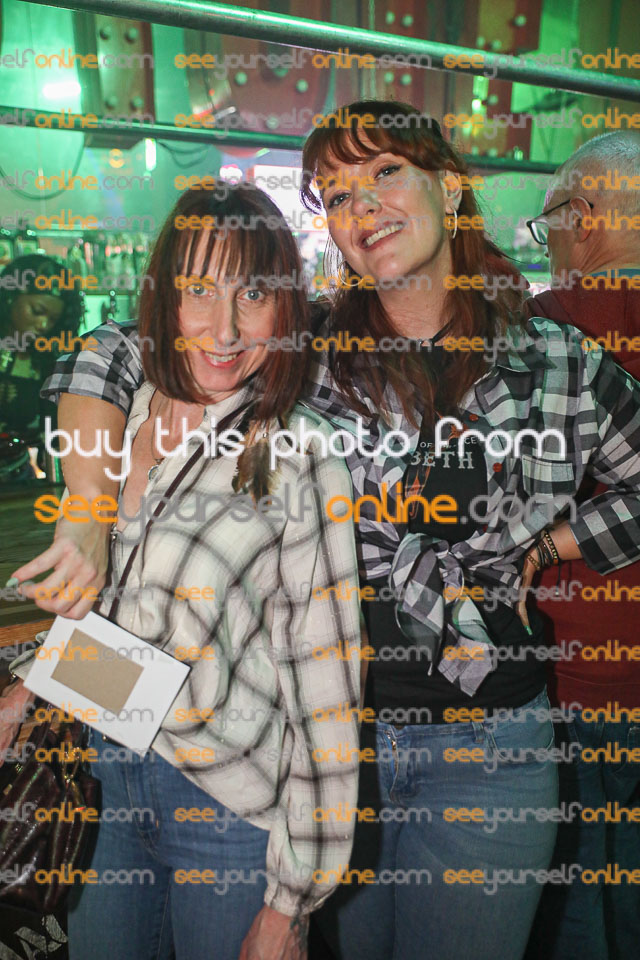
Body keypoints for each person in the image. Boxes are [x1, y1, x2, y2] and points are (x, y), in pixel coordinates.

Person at [15, 100, 640, 960]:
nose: (364, 205)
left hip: (489, 748)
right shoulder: (303, 352)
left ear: (450, 188)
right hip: (329, 753)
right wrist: (86, 512)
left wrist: (552, 545)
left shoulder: (557, 361)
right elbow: (117, 350)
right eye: (338, 194)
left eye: (386, 172)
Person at [6, 184, 363, 960]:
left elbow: (327, 694)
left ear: (286, 305)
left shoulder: (301, 454)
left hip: (226, 810)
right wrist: (32, 688)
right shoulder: (123, 412)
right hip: (102, 782)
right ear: (163, 296)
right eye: (199, 289)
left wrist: (292, 902)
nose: (225, 328)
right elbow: (135, 637)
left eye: (253, 294)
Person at [522, 132, 640, 960]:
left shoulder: (546, 331)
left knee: (570, 902)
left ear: (586, 217)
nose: (549, 243)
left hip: (576, 678)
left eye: (550, 222)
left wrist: (548, 542)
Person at [0, 254, 82, 481]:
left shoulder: (46, 363)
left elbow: (54, 436)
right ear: (10, 298)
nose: (43, 325)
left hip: (19, 479)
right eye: (37, 311)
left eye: (52, 319)